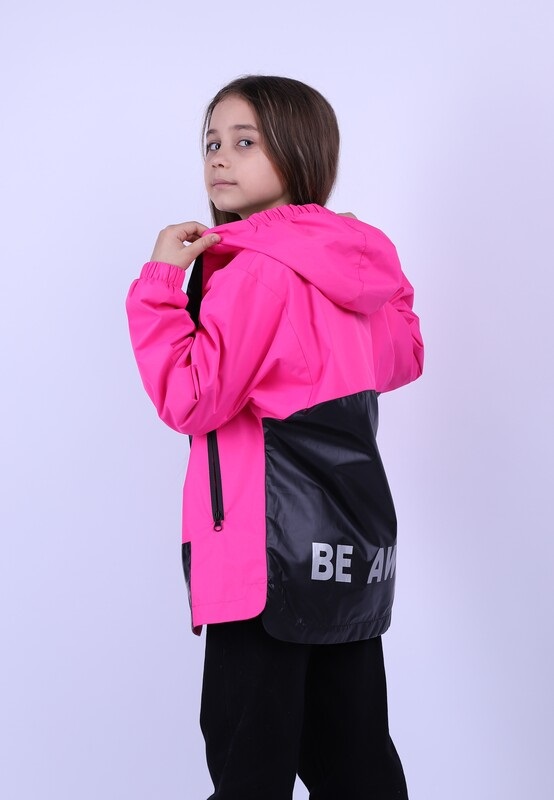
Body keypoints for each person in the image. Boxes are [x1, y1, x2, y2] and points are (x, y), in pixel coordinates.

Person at [126, 74, 424, 800]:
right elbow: (402, 356)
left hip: (261, 563)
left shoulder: (257, 272)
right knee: (356, 765)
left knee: (248, 770)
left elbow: (191, 397)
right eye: (211, 143)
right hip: (348, 555)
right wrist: (372, 266)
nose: (219, 158)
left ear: (299, 152)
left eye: (245, 142)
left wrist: (161, 283)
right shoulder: (342, 265)